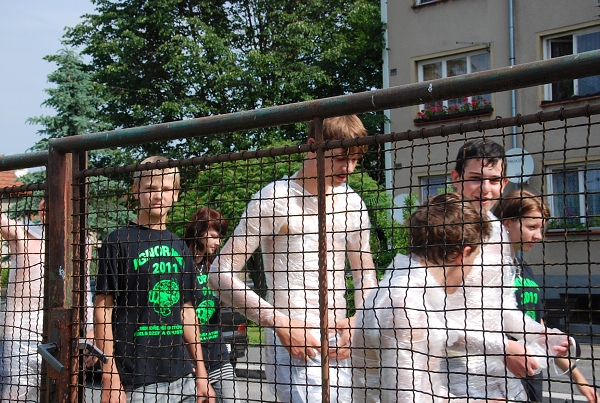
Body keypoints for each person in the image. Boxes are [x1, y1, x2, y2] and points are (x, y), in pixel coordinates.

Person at [208, 115, 378, 402]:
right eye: (340, 158)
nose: (348, 168)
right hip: (295, 346)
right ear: (312, 147)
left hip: (344, 344)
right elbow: (219, 273)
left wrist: (359, 322)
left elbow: (365, 275)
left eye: (355, 159)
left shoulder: (353, 203)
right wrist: (280, 323)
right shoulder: (275, 198)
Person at [449, 138, 569, 400]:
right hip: (444, 375)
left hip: (497, 375)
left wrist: (542, 335)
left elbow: (502, 308)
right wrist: (503, 349)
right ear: (456, 178)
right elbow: (429, 317)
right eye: (475, 178)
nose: (485, 189)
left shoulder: (499, 234)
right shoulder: (438, 228)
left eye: (493, 180)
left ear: (504, 183)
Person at [94, 156, 215, 403]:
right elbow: (102, 310)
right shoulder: (117, 242)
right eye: (150, 188)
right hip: (138, 381)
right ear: (136, 191)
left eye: (166, 189)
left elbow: (187, 311)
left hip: (183, 377)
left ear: (176, 195)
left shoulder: (180, 246)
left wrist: (201, 372)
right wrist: (109, 377)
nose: (159, 195)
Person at [352, 192, 493, 403]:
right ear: (462, 254)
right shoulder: (406, 304)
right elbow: (406, 399)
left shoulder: (407, 290)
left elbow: (425, 389)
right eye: (474, 258)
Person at [493, 189, 599, 403]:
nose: (539, 236)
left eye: (541, 228)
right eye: (531, 227)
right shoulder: (489, 269)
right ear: (507, 223)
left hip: (532, 374)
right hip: (500, 378)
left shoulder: (524, 268)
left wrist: (579, 380)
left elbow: (540, 329)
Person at [1, 197, 95, 402]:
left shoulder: (82, 242)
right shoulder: (22, 232)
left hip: (62, 334)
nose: (46, 203)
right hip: (21, 336)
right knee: (16, 395)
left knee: (62, 394)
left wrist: (90, 331)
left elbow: (84, 290)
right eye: (45, 198)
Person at [184, 208, 237, 403]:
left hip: (218, 356)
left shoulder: (214, 265)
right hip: (188, 361)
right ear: (198, 231)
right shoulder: (180, 262)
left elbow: (220, 304)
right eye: (214, 236)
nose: (218, 242)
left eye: (220, 237)